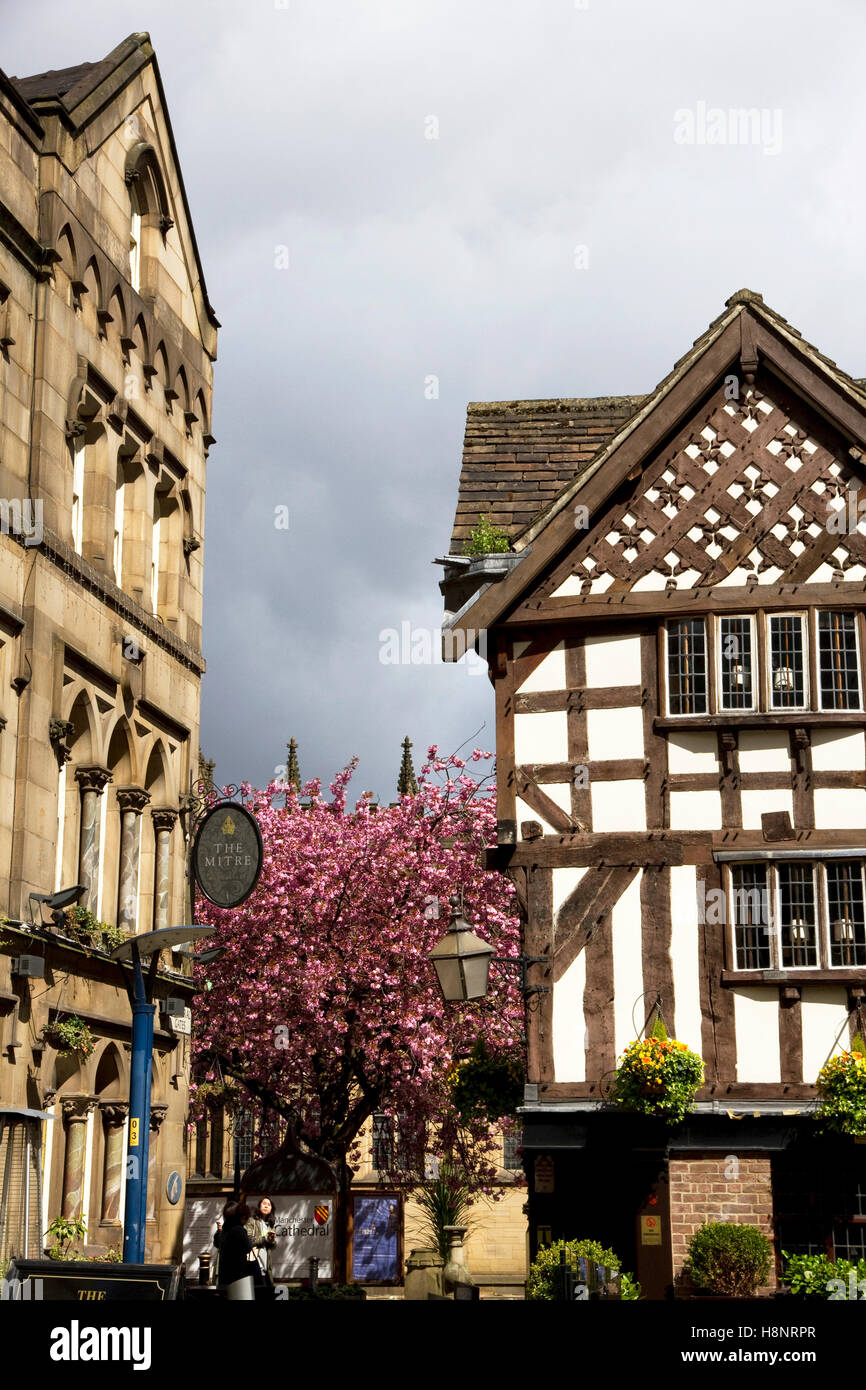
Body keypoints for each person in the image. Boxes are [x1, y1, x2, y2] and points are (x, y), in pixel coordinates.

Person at [216, 1201, 255, 1299]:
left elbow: (217, 1243)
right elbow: (248, 1247)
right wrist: (250, 1239)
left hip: (224, 1276)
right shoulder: (238, 1230)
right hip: (238, 1277)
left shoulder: (224, 1230)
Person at [245, 1195, 277, 1298]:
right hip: (254, 1265)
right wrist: (265, 1239)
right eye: (264, 1204)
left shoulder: (270, 1225)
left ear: (271, 1209)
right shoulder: (252, 1221)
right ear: (259, 1207)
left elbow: (272, 1246)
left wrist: (272, 1241)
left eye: (269, 1204)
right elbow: (248, 1240)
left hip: (266, 1268)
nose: (266, 1206)